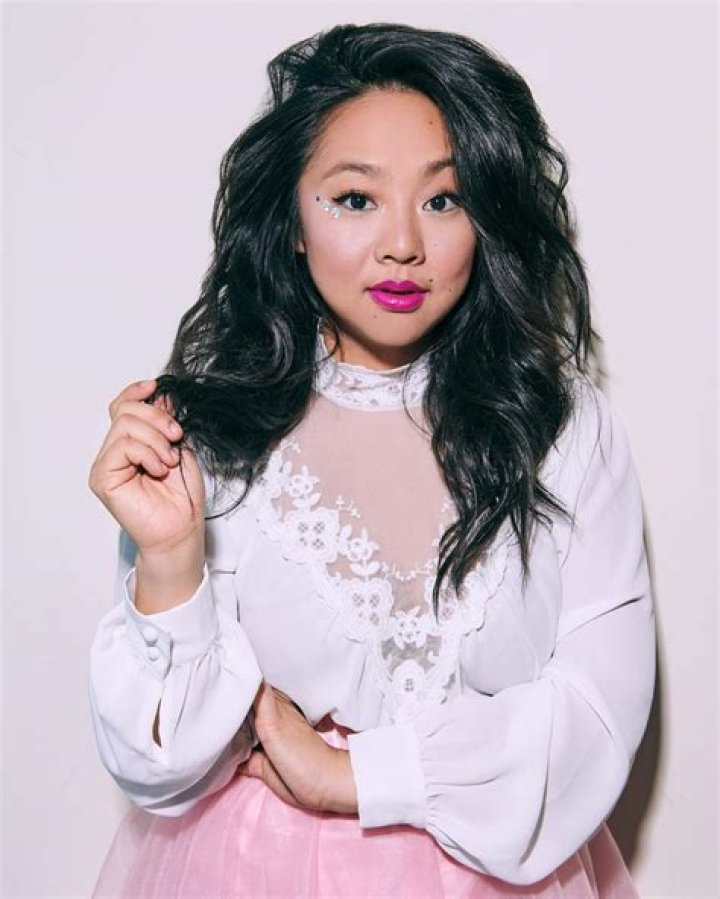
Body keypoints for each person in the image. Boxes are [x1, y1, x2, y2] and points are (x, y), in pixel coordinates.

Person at [87, 21, 656, 898]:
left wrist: (360, 774)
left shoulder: (563, 425)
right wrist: (170, 561)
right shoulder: (212, 434)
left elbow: (598, 713)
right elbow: (160, 768)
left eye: (444, 199)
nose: (403, 245)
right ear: (290, 221)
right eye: (355, 199)